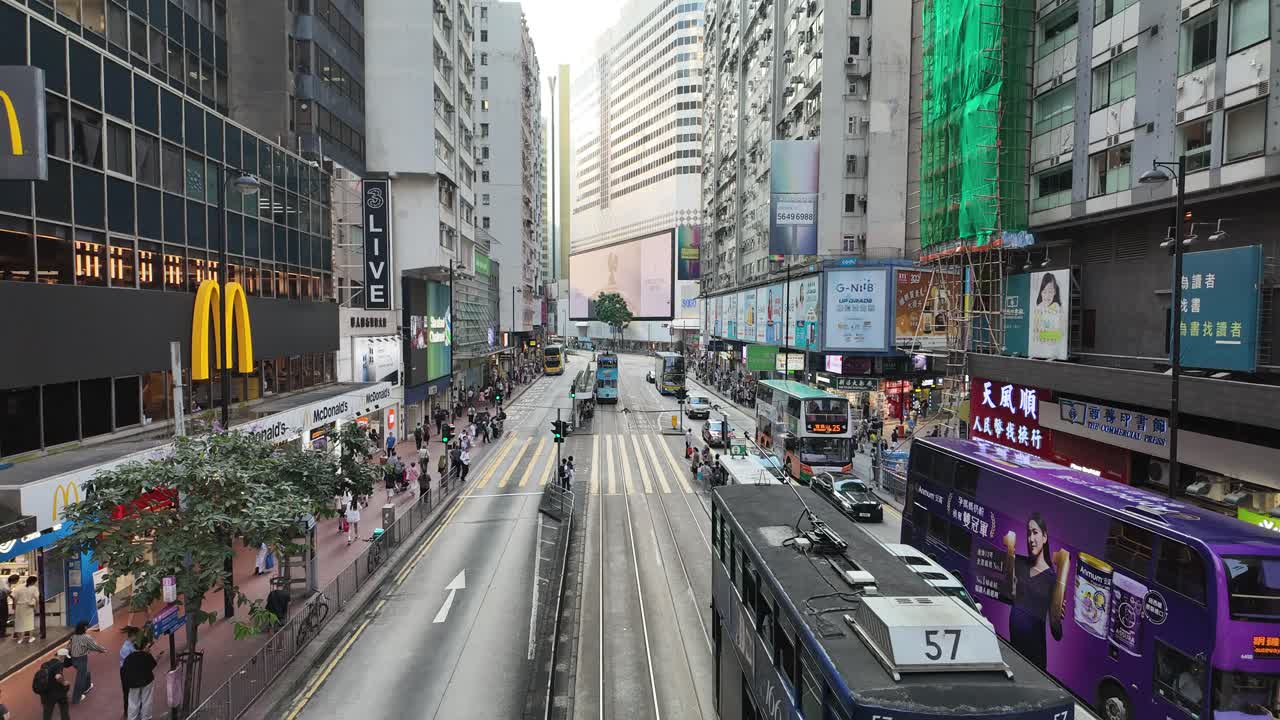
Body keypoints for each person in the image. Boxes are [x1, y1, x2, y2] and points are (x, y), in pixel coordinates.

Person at [1001, 512, 1067, 671]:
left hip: (1035, 660)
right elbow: (1006, 594)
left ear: (1045, 537)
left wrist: (1057, 614)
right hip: (1014, 650)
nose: (1031, 539)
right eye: (1028, 533)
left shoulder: (1052, 578)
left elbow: (1056, 633)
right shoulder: (1020, 563)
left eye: (1035, 532)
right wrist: (1010, 552)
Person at [67, 620, 105, 704]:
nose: (87, 628)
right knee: (80, 679)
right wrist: (103, 650)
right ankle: (76, 698)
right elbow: (94, 646)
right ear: (84, 628)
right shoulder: (86, 637)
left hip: (74, 659)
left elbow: (69, 646)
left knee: (85, 672)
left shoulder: (73, 636)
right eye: (86, 626)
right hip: (81, 659)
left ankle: (87, 686)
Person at [122, 638, 159, 720]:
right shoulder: (147, 655)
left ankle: (132, 718)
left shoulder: (128, 658)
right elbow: (152, 665)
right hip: (147, 681)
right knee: (147, 700)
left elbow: (124, 671)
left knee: (133, 702)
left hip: (133, 683)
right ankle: (146, 717)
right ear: (144, 646)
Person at [33, 648, 72, 720]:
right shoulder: (59, 664)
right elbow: (58, 676)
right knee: (64, 706)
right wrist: (64, 682)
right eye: (65, 657)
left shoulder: (44, 664)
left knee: (47, 713)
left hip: (46, 695)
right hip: (58, 692)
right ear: (62, 656)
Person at [118, 626, 137, 717]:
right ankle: (127, 712)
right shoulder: (125, 648)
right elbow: (128, 663)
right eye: (136, 636)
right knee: (127, 692)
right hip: (126, 672)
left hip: (130, 670)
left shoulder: (132, 645)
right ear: (132, 636)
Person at [13, 575, 38, 644]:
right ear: (33, 582)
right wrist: (36, 607)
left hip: (19, 607)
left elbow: (14, 598)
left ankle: (20, 639)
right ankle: (30, 638)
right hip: (28, 607)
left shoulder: (18, 587)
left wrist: (14, 607)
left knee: (20, 622)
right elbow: (37, 598)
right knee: (29, 622)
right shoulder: (34, 588)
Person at [0, 574, 11, 640]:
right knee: (3, 617)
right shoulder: (1, 581)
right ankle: (2, 633)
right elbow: (5, 590)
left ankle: (2, 632)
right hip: (1, 601)